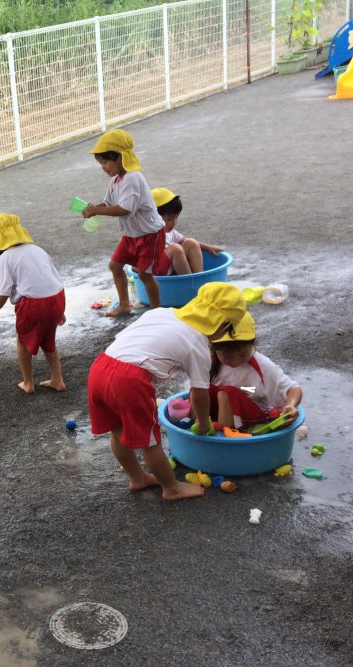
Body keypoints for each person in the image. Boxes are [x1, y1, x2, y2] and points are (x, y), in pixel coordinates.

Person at [87, 282, 246, 501]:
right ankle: (171, 488)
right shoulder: (197, 342)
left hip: (101, 367)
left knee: (118, 430)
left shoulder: (162, 313)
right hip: (129, 381)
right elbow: (199, 393)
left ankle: (138, 477)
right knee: (150, 442)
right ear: (224, 324)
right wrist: (203, 423)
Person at [0, 214, 67, 394]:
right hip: (57, 298)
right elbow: (53, 279)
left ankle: (28, 383)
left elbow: (2, 293)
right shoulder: (37, 250)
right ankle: (58, 380)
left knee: (23, 341)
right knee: (48, 341)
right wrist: (60, 311)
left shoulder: (5, 259)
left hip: (32, 305)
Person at [82, 129, 167, 316]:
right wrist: (93, 207)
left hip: (149, 235)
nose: (103, 167)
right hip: (131, 235)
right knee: (115, 265)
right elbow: (109, 203)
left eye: (106, 162)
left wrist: (97, 210)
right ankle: (124, 304)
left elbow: (125, 209)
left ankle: (156, 313)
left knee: (145, 274)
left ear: (120, 157)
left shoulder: (133, 178)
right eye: (101, 163)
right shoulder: (116, 181)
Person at [209, 313, 302, 429]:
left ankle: (223, 435)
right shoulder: (209, 363)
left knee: (227, 392)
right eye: (228, 357)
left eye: (242, 355)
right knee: (200, 389)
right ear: (214, 348)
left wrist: (290, 405)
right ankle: (196, 425)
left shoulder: (262, 365)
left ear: (252, 345)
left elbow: (294, 389)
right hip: (227, 406)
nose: (236, 361)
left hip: (257, 415)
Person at [151, 187, 223, 275]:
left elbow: (184, 240)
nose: (174, 223)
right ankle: (190, 283)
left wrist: (208, 248)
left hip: (173, 271)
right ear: (153, 217)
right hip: (156, 275)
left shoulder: (170, 233)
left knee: (191, 242)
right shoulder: (147, 234)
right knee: (176, 249)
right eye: (169, 219)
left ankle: (199, 278)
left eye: (176, 217)